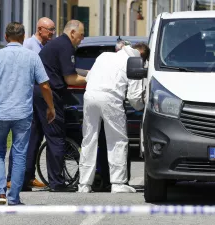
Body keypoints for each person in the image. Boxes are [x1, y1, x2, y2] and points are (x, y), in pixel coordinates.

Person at [0, 22, 55, 205]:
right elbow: (44, 85)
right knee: (20, 153)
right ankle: (14, 196)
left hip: (0, 112)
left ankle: (0, 194)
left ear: (5, 37)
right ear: (23, 37)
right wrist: (51, 107)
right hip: (23, 112)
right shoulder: (32, 57)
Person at [78, 43, 150, 193]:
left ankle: (84, 184)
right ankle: (118, 183)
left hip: (90, 96)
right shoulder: (134, 62)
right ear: (143, 57)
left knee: (89, 140)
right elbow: (134, 97)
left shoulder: (104, 56)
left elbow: (89, 77)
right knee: (117, 140)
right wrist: (143, 107)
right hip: (111, 98)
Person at [29, 20, 87, 192]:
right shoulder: (65, 46)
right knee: (56, 138)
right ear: (72, 33)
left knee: (35, 136)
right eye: (81, 35)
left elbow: (71, 71)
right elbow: (70, 79)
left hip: (38, 92)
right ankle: (57, 182)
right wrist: (93, 77)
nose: (82, 39)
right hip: (49, 94)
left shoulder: (58, 44)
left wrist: (87, 72)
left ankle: (25, 178)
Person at [6, 17, 56, 190]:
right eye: (50, 30)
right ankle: (11, 177)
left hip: (37, 97)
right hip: (26, 96)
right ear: (40, 29)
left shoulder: (45, 47)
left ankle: (28, 176)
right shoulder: (28, 45)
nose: (52, 33)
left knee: (35, 137)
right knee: (21, 137)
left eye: (53, 30)